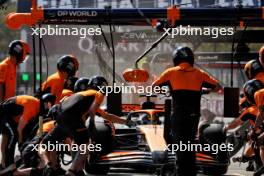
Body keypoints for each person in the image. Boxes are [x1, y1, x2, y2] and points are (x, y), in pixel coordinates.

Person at [40, 76, 134, 176]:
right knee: (85, 145)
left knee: (44, 145)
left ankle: (49, 166)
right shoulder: (96, 94)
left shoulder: (74, 96)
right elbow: (105, 115)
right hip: (72, 120)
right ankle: (71, 172)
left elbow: (59, 107)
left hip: (59, 119)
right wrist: (125, 122)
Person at [152, 46, 222, 176]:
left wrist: (166, 91)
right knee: (189, 143)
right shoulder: (200, 73)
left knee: (179, 144)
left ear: (176, 59)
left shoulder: (170, 72)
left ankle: (180, 171)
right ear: (191, 58)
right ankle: (190, 171)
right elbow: (218, 87)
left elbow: (154, 87)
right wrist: (204, 90)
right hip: (193, 116)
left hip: (178, 115)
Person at [0, 94, 56, 169]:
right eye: (49, 105)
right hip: (3, 113)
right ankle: (8, 163)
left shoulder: (40, 109)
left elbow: (40, 132)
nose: (49, 108)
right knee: (13, 135)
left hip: (10, 115)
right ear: (47, 103)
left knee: (7, 135)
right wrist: (21, 145)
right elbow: (19, 129)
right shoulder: (32, 107)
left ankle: (3, 162)